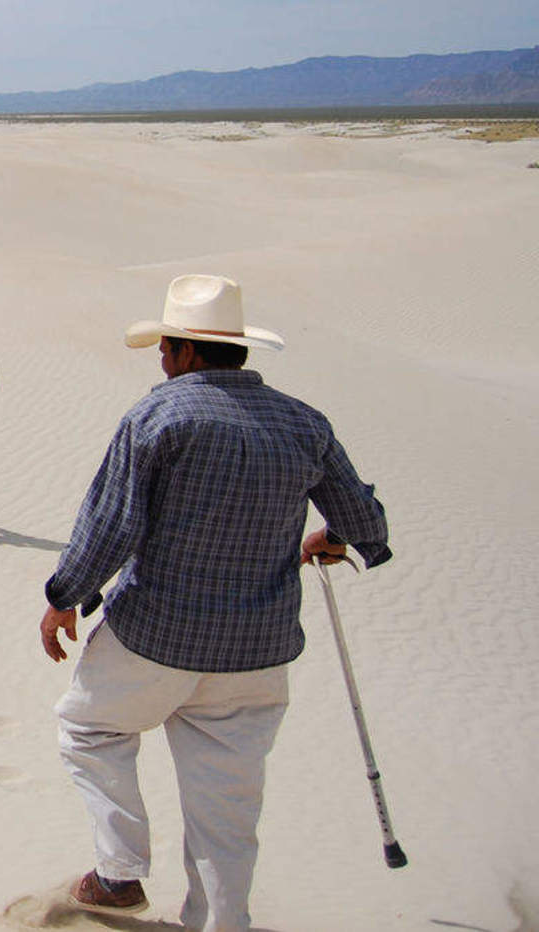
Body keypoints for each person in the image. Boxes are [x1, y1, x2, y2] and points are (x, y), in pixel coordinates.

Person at [38, 274, 391, 931]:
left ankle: (118, 874)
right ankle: (222, 921)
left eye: (167, 350)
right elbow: (365, 519)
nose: (164, 364)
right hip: (258, 652)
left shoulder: (160, 415)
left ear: (191, 352)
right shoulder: (304, 423)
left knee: (91, 729)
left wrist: (65, 596)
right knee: (227, 803)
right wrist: (336, 537)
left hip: (156, 635)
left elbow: (112, 526)